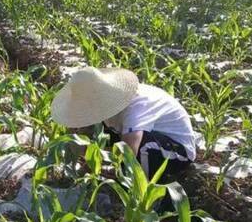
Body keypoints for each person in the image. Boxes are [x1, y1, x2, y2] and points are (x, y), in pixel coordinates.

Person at [51, 67, 196, 179]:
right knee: (98, 134)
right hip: (145, 136)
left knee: (141, 149)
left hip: (178, 150)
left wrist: (108, 169)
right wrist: (81, 151)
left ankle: (140, 191)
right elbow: (79, 132)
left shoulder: (136, 107)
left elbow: (129, 151)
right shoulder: (107, 102)